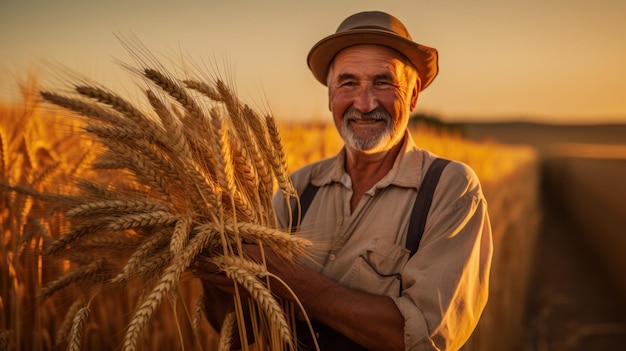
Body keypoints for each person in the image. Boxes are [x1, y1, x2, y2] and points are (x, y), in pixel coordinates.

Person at [200, 10, 493, 351]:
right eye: (348, 82)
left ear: (413, 96)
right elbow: (240, 330)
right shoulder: (297, 189)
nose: (364, 103)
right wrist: (214, 259)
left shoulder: (450, 188)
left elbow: (426, 338)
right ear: (329, 96)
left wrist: (288, 278)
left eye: (383, 82)